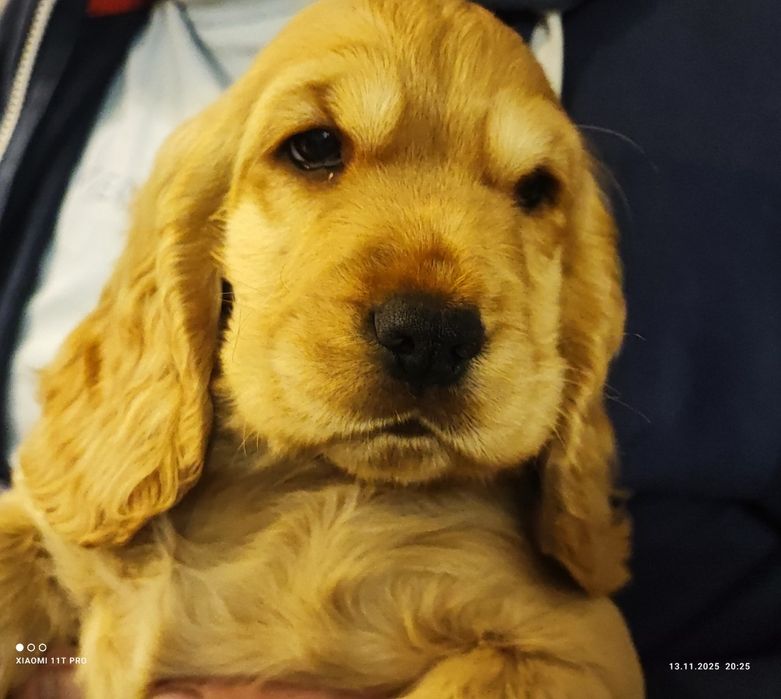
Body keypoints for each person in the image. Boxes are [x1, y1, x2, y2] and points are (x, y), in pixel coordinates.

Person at [1, 1, 779, 698]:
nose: (430, 321)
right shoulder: (47, 35)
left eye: (529, 189)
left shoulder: (738, 57)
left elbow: (612, 658)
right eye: (313, 150)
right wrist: (40, 655)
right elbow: (45, 591)